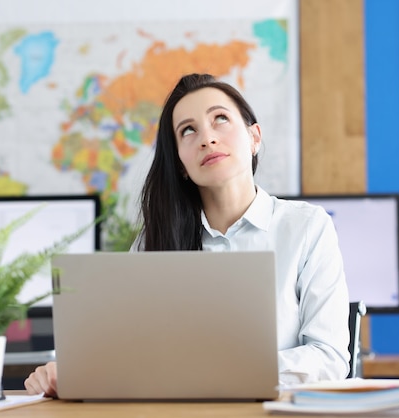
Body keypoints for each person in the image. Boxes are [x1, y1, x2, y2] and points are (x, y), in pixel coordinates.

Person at [24, 73, 350, 397]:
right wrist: (71, 372)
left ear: (254, 137)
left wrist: (230, 370)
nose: (207, 138)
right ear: (181, 164)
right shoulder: (154, 241)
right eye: (188, 130)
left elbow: (329, 357)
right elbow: (127, 354)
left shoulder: (306, 227)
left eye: (220, 119)